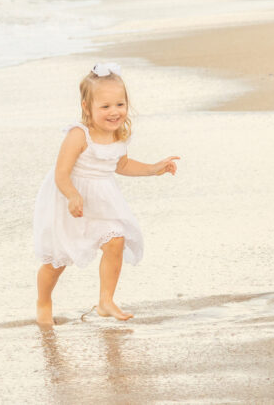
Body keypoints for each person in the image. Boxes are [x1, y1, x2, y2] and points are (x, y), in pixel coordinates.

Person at [33, 63, 179, 327]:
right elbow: (61, 173)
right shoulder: (79, 135)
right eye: (105, 107)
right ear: (87, 107)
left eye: (120, 105)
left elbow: (121, 165)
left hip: (101, 199)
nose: (114, 112)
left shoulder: (118, 134)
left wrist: (154, 169)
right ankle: (43, 302)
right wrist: (72, 195)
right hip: (69, 200)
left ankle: (105, 301)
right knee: (57, 260)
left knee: (116, 241)